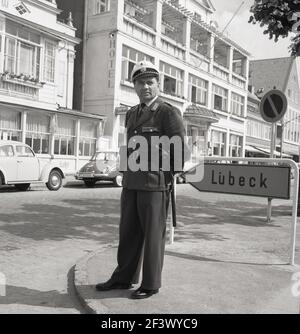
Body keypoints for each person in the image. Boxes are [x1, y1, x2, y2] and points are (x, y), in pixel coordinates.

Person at [95, 61, 187, 299]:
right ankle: (122, 278)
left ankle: (150, 283)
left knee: (154, 236)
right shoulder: (133, 113)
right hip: (132, 182)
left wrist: (168, 176)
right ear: (134, 86)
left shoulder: (167, 112)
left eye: (150, 82)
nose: (145, 86)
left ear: (157, 85)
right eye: (140, 82)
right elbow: (129, 146)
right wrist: (124, 171)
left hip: (155, 183)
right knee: (128, 232)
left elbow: (179, 149)